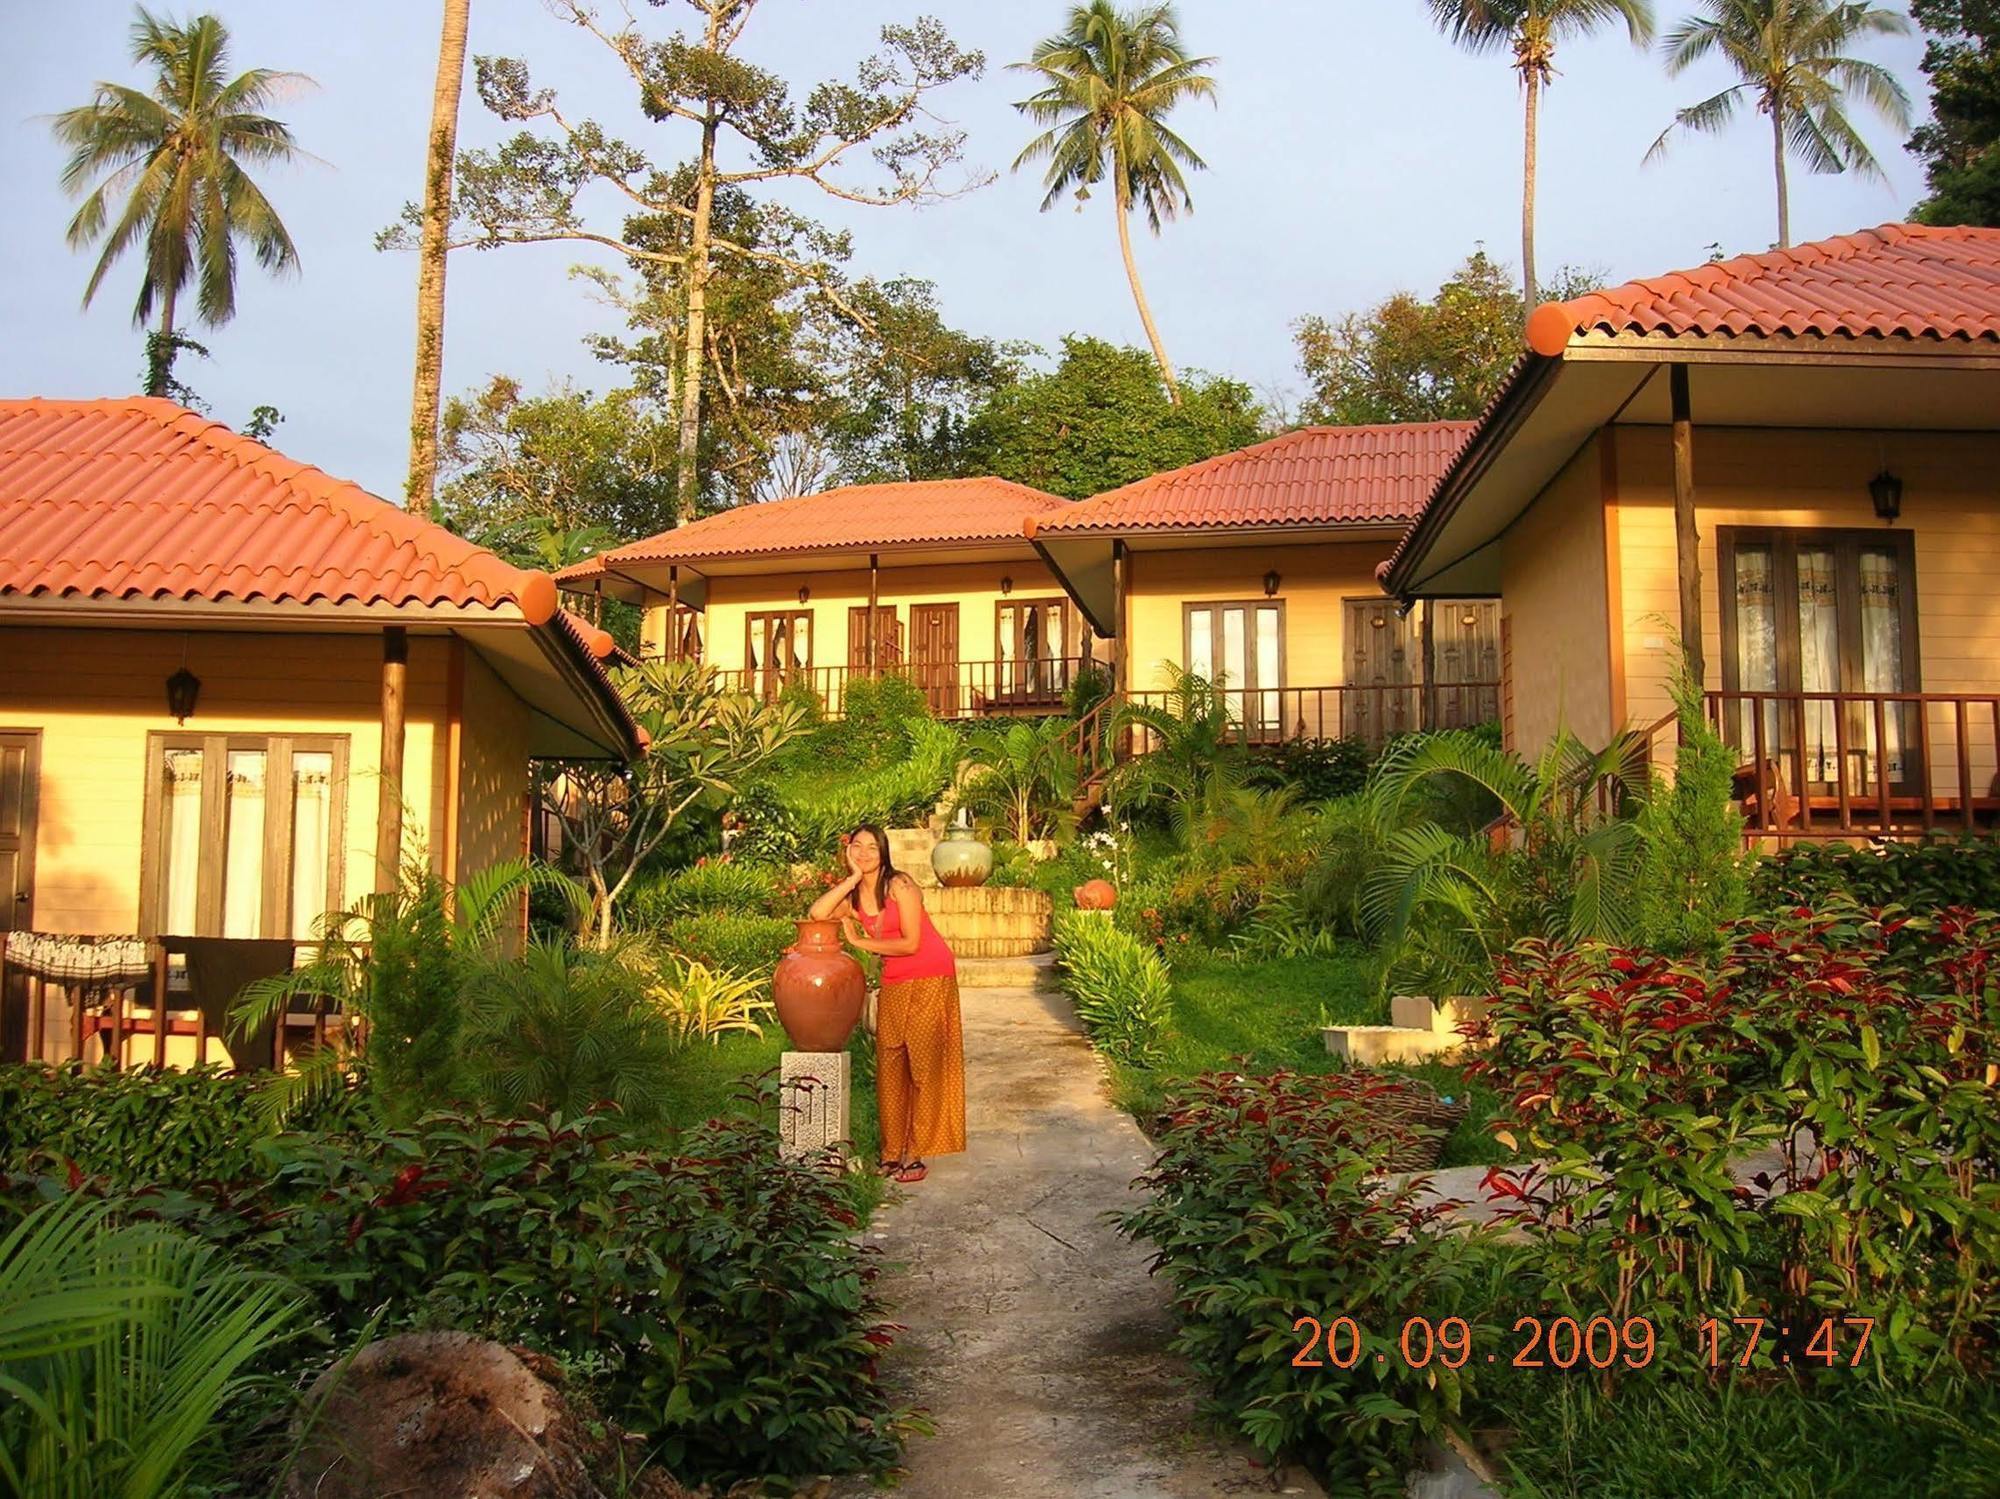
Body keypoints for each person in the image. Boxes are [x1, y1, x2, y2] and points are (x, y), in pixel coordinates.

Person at [809, 824, 966, 1182]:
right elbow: (818, 912)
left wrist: (861, 943)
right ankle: (891, 1152)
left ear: (884, 853)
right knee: (890, 1065)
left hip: (930, 975)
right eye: (857, 847)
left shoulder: (901, 885)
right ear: (849, 851)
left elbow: (911, 943)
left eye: (872, 848)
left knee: (923, 1066)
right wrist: (851, 879)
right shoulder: (855, 896)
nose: (864, 854)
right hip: (895, 981)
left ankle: (915, 1152)